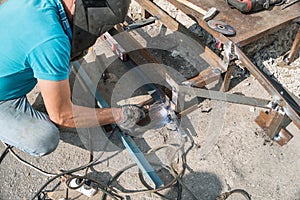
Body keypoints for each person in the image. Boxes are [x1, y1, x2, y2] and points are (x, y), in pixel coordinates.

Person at [0, 0, 147, 156]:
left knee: (58, 62)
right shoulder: (51, 41)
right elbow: (62, 116)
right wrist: (120, 115)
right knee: (44, 138)